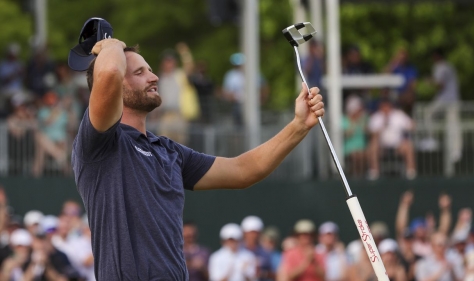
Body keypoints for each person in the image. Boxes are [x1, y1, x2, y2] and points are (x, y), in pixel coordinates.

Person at [70, 34, 324, 280]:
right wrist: (112, 44)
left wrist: (299, 125)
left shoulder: (168, 151)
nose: (154, 76)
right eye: (139, 73)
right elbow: (109, 72)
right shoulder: (99, 142)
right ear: (116, 87)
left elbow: (245, 170)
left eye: (149, 69)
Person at [420, 48, 462, 166]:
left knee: (428, 114)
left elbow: (440, 84)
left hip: (446, 99)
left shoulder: (440, 67)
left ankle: (432, 139)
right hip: (452, 99)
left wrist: (429, 81)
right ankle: (456, 151)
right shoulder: (449, 66)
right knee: (453, 125)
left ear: (436, 57)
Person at [367, 98, 416, 180]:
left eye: (387, 106)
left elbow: (411, 125)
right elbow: (370, 131)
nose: (385, 108)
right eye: (383, 106)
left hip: (397, 146)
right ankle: (374, 171)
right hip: (382, 147)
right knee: (373, 145)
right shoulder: (376, 117)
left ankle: (411, 172)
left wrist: (408, 128)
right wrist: (381, 127)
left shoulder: (398, 115)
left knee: (408, 145)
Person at [384, 48, 418, 116]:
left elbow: (413, 84)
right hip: (394, 93)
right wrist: (393, 62)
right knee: (385, 93)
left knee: (410, 96)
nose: (402, 59)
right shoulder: (395, 67)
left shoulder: (411, 69)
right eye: (400, 57)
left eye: (404, 58)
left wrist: (406, 93)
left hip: (406, 93)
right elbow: (385, 76)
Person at [240, 216, 273, 281]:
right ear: (244, 233)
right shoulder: (237, 251)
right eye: (250, 232)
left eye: (255, 233)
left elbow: (273, 273)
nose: (253, 236)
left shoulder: (265, 252)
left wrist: (263, 273)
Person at [342, 95, 367, 177]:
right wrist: (354, 122)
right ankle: (355, 176)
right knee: (356, 155)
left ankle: (363, 175)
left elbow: (367, 131)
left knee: (363, 154)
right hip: (350, 148)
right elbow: (348, 134)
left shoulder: (364, 119)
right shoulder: (344, 120)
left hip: (362, 147)